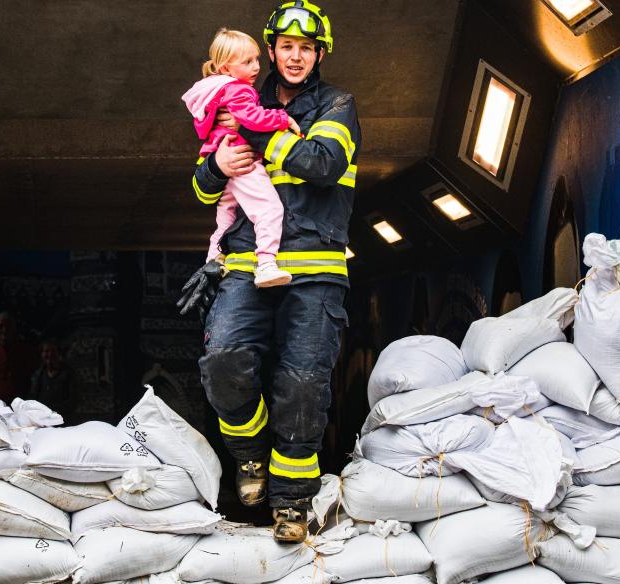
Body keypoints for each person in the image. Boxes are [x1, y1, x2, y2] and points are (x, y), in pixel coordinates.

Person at [178, 1, 359, 543]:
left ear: (319, 53)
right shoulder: (241, 95)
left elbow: (323, 165)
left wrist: (260, 136)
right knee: (224, 358)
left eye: (307, 47)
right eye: (286, 46)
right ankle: (250, 456)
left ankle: (292, 501)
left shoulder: (337, 104)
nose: (296, 56)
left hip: (316, 268)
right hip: (246, 264)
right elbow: (202, 185)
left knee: (302, 385)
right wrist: (215, 167)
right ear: (272, 50)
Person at [181, 28, 302, 288]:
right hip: (243, 160)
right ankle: (267, 265)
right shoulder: (240, 91)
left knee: (226, 216)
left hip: (224, 157)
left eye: (256, 59)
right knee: (270, 209)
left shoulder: (215, 91)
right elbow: (254, 119)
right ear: (226, 67)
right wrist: (283, 119)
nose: (256, 66)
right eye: (247, 62)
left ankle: (213, 258)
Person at [0, 312, 38, 403]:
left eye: (8, 326)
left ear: (14, 328)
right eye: (0, 327)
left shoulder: (25, 352)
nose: (4, 330)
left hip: (17, 406)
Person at [29, 339, 74, 421]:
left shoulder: (69, 374)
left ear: (59, 353)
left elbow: (72, 400)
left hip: (62, 419)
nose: (49, 354)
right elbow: (33, 396)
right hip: (41, 419)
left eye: (53, 351)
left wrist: (54, 413)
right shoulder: (38, 375)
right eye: (46, 351)